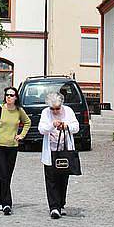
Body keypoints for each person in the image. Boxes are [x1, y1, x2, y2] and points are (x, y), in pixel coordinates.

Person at [0, 87, 30, 215]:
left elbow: (27, 122)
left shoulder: (19, 111)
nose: (9, 97)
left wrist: (21, 135)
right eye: (7, 95)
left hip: (13, 147)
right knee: (3, 173)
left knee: (8, 175)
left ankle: (1, 199)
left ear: (16, 97)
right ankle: (7, 204)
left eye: (11, 95)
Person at [38, 91, 79, 219]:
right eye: (53, 109)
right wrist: (52, 125)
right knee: (51, 180)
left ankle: (61, 204)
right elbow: (41, 129)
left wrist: (66, 126)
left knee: (63, 179)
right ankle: (54, 207)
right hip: (50, 152)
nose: (55, 111)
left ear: (61, 105)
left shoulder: (68, 111)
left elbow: (76, 127)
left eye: (57, 109)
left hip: (65, 151)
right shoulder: (45, 113)